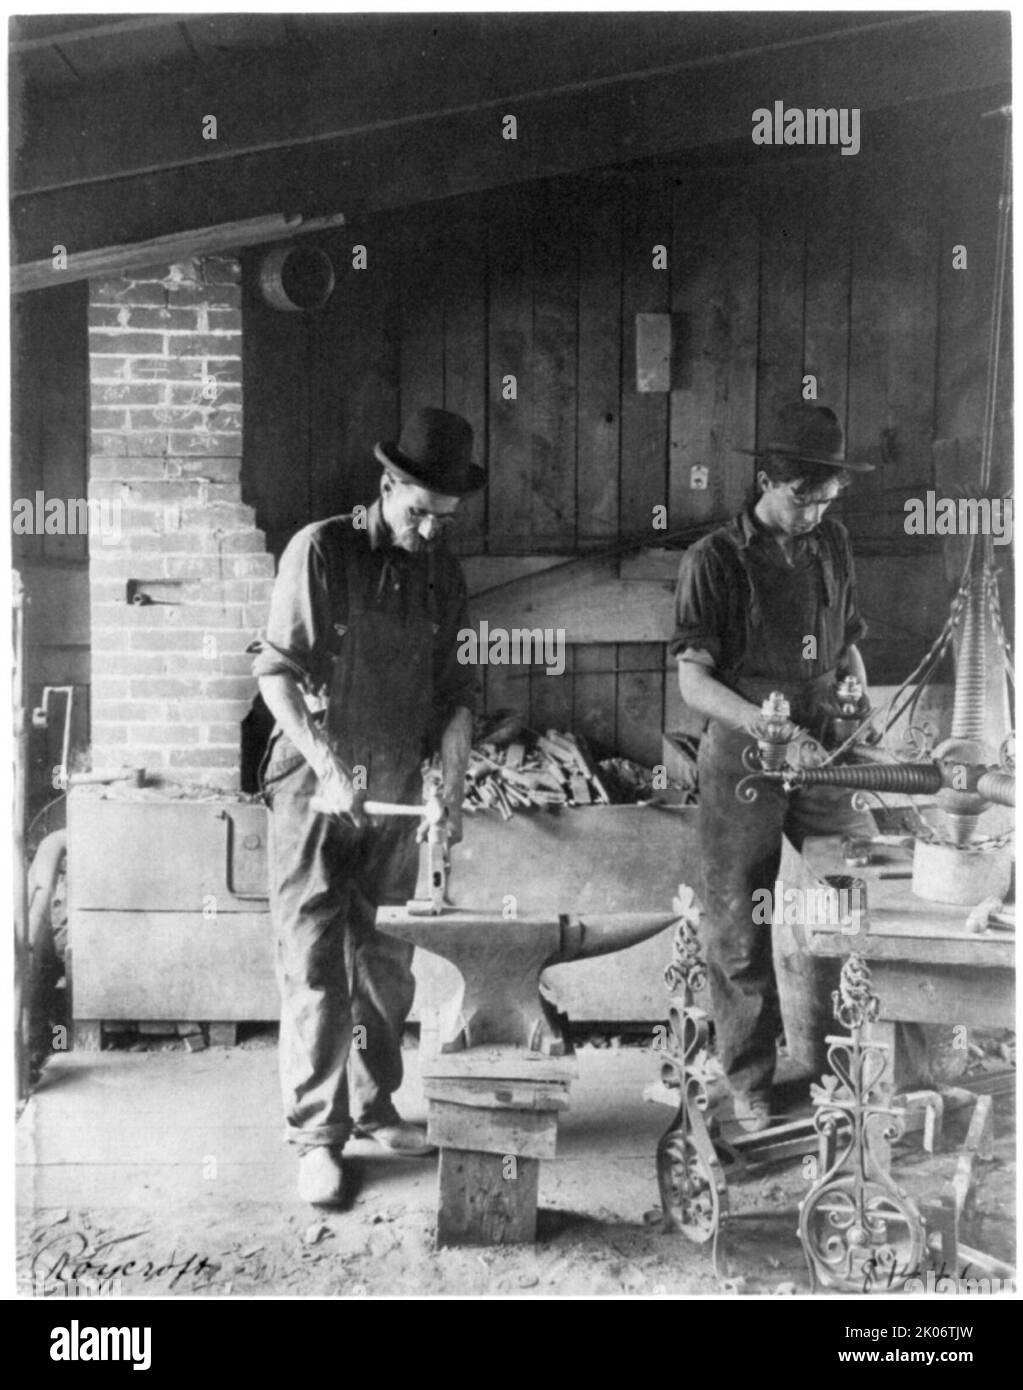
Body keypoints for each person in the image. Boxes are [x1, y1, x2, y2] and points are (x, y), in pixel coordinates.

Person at [252, 407, 484, 1205]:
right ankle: (319, 1136)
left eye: (442, 519)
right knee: (316, 958)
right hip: (315, 781)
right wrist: (326, 764)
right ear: (386, 487)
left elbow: (456, 697)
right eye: (417, 512)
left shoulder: (439, 573)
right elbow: (276, 675)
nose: (428, 531)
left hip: (393, 783)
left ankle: (375, 1103)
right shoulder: (322, 549)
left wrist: (447, 789)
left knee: (385, 956)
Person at [670, 402, 874, 1133]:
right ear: (766, 481)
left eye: (826, 499)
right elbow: (693, 682)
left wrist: (856, 697)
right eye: (801, 498)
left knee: (863, 893)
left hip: (825, 742)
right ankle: (750, 1080)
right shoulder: (714, 560)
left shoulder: (830, 543)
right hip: (745, 745)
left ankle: (851, 1062)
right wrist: (767, 725)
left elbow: (847, 640)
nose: (813, 513)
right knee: (737, 920)